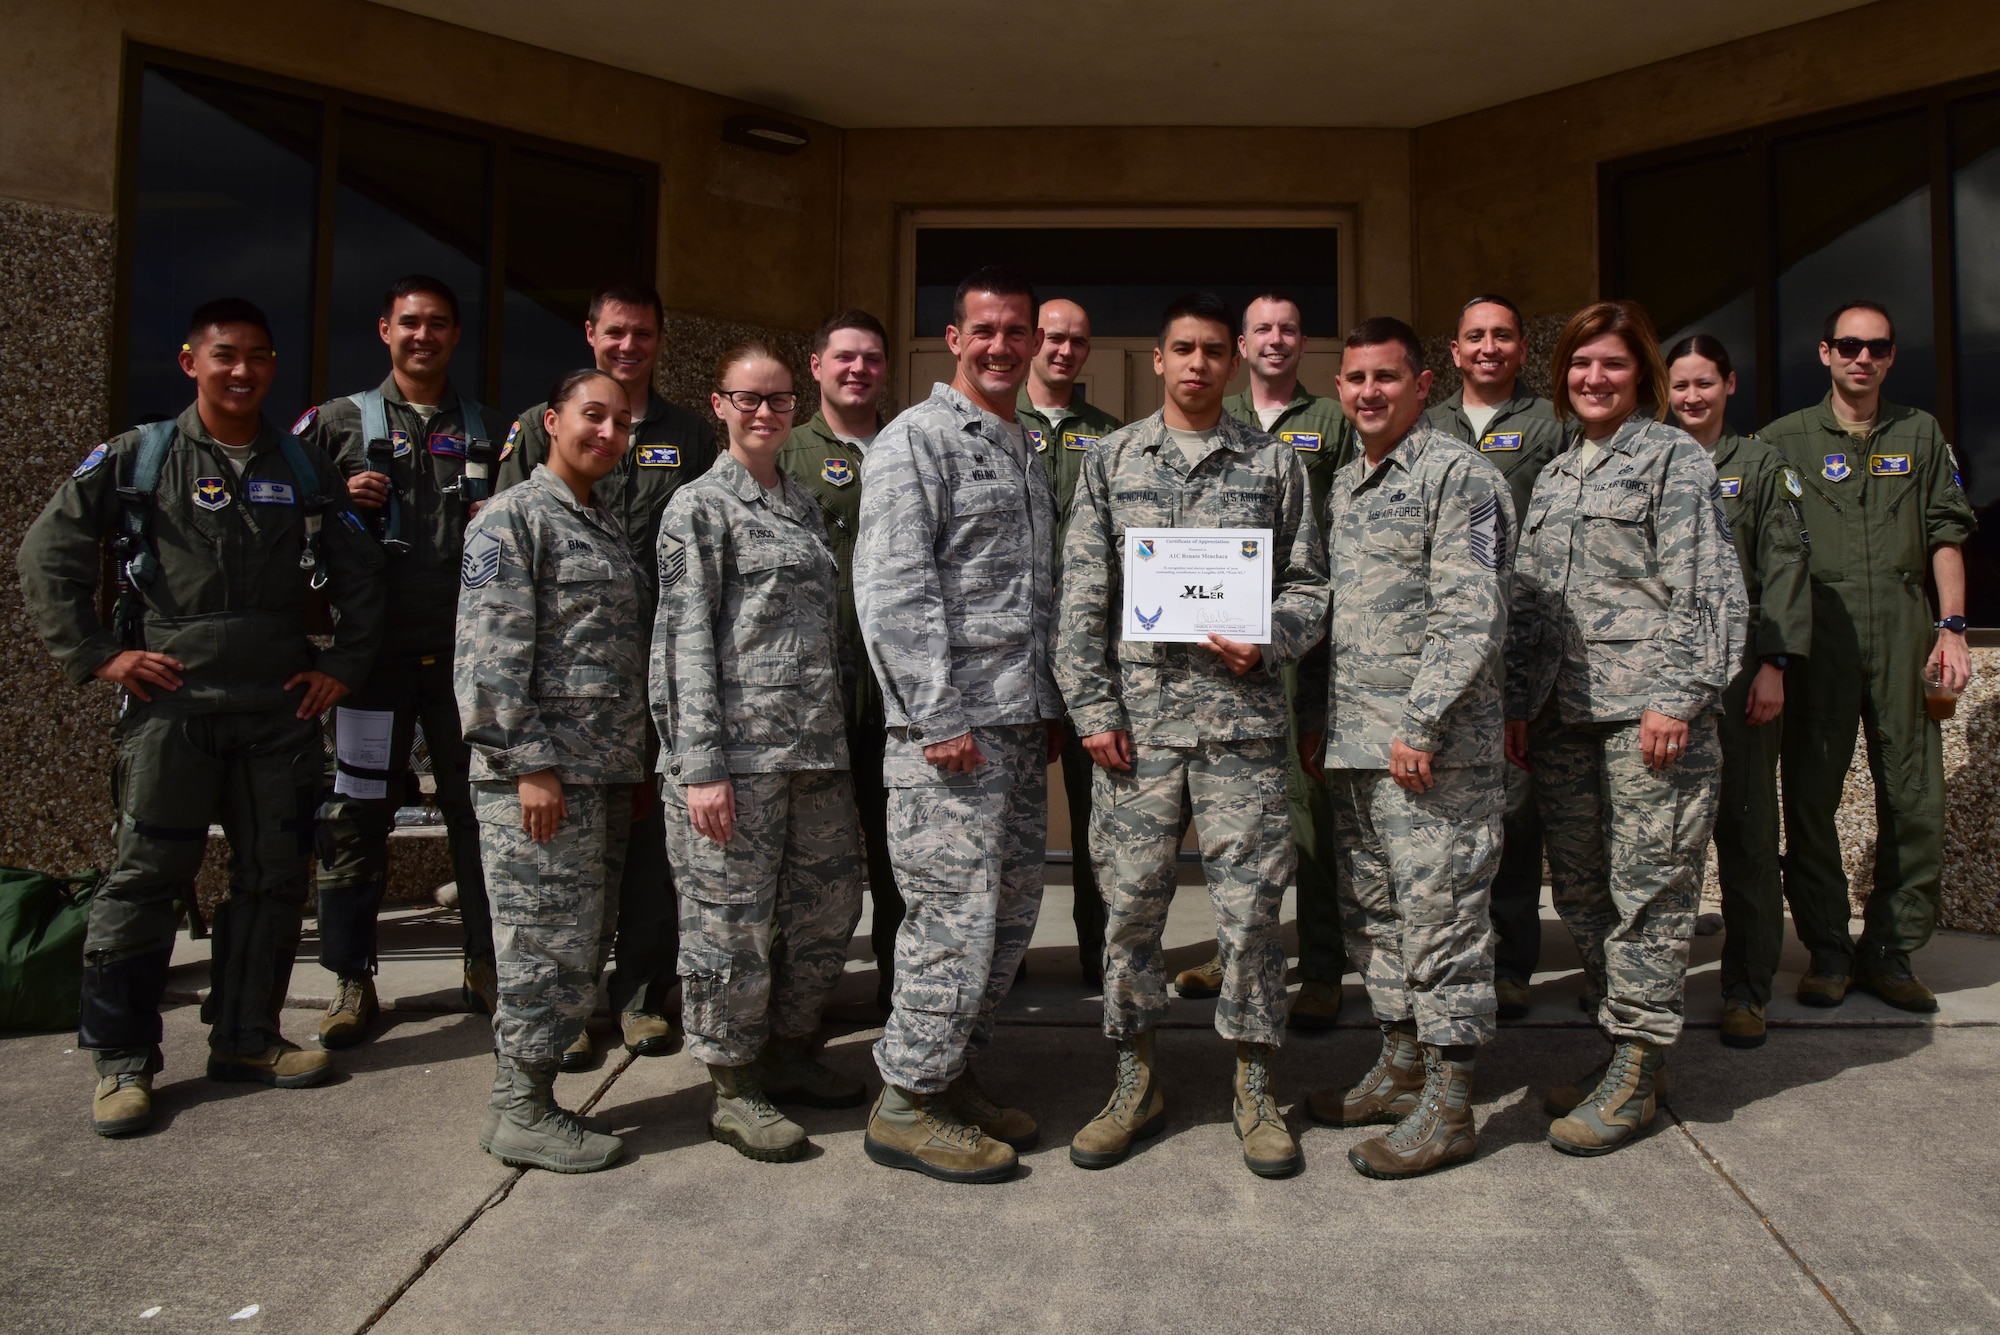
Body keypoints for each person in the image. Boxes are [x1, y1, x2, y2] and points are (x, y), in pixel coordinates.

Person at [20, 298, 384, 1137]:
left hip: (275, 709)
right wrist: (98, 655)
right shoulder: (137, 457)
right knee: (145, 878)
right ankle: (122, 1062)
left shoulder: (301, 465)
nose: (243, 370)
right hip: (171, 708)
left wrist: (341, 665)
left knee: (272, 878)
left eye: (258, 355)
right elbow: (48, 554)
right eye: (225, 354)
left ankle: (248, 1036)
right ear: (191, 361)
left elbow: (360, 571)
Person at [1058, 292, 1328, 1178]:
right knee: (1131, 907)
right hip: (1137, 732)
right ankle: (1135, 1076)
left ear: (1236, 359)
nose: (1200, 364)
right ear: (1160, 357)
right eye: (1183, 348)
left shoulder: (1273, 463)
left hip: (1241, 732)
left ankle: (1254, 1082)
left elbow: (1310, 584)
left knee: (1250, 914)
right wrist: (1093, 711)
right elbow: (1081, 601)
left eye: (1215, 349)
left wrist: (1274, 637)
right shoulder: (1110, 461)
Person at [1505, 300, 1746, 1156]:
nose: (1593, 379)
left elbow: (1707, 588)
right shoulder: (1562, 472)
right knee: (1585, 893)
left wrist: (1676, 698)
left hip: (1648, 721)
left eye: (1611, 364)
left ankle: (1640, 1069)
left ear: (1640, 373)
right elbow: (1533, 605)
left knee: (1649, 894)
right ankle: (1624, 1053)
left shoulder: (1672, 458)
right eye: (1579, 364)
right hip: (1566, 717)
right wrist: (1517, 707)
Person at [854, 266, 1062, 1184]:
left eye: (1017, 331)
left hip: (1016, 729)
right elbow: (895, 587)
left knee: (1006, 919)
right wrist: (934, 714)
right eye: (987, 331)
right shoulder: (917, 440)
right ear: (954, 338)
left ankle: (949, 1074)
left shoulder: (1021, 445)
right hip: (952, 737)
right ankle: (905, 1103)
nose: (1003, 346)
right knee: (949, 920)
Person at [1297, 317, 1511, 1179]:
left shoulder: (1462, 476)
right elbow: (1338, 619)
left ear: (1425, 384)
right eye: (1353, 378)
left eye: (1386, 377)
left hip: (1432, 756)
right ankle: (1401, 1064)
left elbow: (1474, 613)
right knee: (1378, 921)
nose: (1367, 393)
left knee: (1443, 923)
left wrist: (1419, 723)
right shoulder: (1348, 482)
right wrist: (1320, 721)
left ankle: (1452, 1106)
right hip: (1357, 748)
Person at [495, 282, 718, 1068]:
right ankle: (559, 1026)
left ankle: (636, 995)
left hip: (642, 694)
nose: (629, 348)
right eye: (615, 333)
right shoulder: (529, 466)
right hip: (558, 713)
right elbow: (501, 607)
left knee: (637, 862)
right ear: (590, 335)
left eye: (644, 335)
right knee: (556, 889)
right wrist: (522, 753)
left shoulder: (688, 433)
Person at [654, 342, 866, 1163]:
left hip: (811, 751)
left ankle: (788, 1047)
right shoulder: (698, 508)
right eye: (749, 399)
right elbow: (685, 647)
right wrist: (699, 766)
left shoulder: (804, 506)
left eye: (779, 400)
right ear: (719, 404)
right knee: (728, 926)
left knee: (826, 907)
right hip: (733, 762)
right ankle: (733, 1080)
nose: (765, 412)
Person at [295, 274, 496, 1050]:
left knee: (479, 814)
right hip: (367, 663)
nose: (424, 336)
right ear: (385, 329)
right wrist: (341, 499)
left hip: (461, 663)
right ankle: (350, 976)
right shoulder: (337, 423)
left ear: (454, 335)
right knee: (354, 817)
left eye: (439, 324)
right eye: (410, 322)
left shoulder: (487, 429)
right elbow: (282, 519)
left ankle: (483, 961)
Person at [1760, 301, 1976, 1013]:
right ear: (1824, 352)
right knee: (1813, 797)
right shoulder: (1784, 441)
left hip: (1905, 628)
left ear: (1890, 356)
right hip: (1819, 636)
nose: (1862, 357)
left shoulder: (1919, 433)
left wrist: (1951, 627)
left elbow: (1946, 532)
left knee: (1914, 796)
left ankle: (1889, 948)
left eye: (1876, 347)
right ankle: (1826, 948)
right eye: (1848, 345)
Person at [456, 368, 644, 1174]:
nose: (606, 431)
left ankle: (532, 1098)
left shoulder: (600, 523)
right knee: (538, 941)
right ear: (552, 420)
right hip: (538, 780)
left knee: (575, 942)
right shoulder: (511, 518)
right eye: (591, 415)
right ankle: (520, 1108)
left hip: (593, 776)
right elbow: (489, 657)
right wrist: (529, 763)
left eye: (620, 421)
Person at [1423, 294, 1571, 1021]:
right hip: (1439, 641)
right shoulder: (1426, 424)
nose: (1488, 347)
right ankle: (1448, 954)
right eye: (1474, 336)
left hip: (1518, 640)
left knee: (1514, 809)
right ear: (1453, 352)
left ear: (1521, 348)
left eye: (1502, 336)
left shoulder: (1552, 425)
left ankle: (1511, 960)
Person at [1208, 292, 1352, 1028]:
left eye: (1289, 329)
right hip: (1220, 640)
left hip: (1302, 639)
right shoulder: (1217, 414)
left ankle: (1323, 965)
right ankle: (1236, 948)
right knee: (1228, 807)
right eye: (1262, 328)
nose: (1275, 339)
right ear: (1241, 343)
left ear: (1304, 343)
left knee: (1311, 808)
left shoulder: (1332, 421)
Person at [1665, 335, 1811, 1048]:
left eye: (1704, 383)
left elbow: (1784, 564)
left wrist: (1775, 663)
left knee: (1748, 834)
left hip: (1741, 670)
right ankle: (1649, 989)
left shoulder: (1759, 464)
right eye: (1680, 384)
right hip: (1664, 673)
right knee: (1660, 837)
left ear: (1729, 383)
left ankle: (1747, 989)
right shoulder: (1651, 458)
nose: (1692, 396)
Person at [774, 310, 904, 1012]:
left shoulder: (910, 447)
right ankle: (799, 1005)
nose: (859, 369)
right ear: (816, 364)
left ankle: (903, 991)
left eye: (872, 358)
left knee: (900, 853)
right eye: (844, 357)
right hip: (809, 691)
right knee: (807, 860)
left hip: (893, 690)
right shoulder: (781, 452)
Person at [1016, 297, 1124, 986]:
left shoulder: (1111, 437)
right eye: (1053, 338)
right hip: (1011, 656)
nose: (1064, 350)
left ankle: (1100, 953)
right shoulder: (995, 423)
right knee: (1009, 820)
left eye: (1077, 341)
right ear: (1032, 340)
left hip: (1090, 654)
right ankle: (1003, 953)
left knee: (1100, 819)